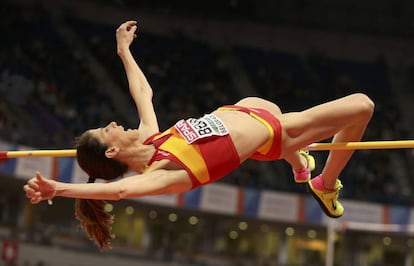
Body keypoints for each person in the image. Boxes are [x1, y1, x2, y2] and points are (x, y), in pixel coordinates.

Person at [23, 20, 375, 249]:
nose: (113, 124)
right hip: (274, 135)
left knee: (265, 106)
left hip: (245, 111)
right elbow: (120, 190)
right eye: (105, 130)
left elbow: (142, 92)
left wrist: (124, 51)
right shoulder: (161, 173)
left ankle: (299, 163)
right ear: (112, 152)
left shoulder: (151, 138)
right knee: (362, 105)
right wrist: (59, 188)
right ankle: (324, 183)